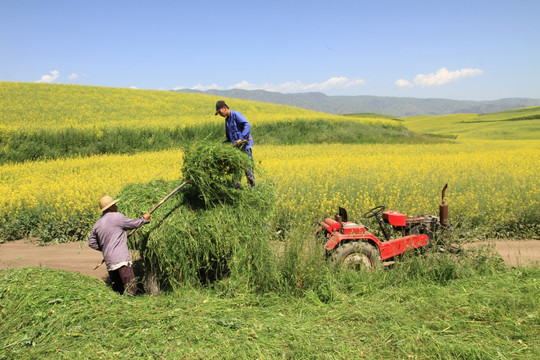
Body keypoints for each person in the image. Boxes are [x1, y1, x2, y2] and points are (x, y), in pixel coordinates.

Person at [88, 195, 151, 295]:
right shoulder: (117, 217)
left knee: (118, 290)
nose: (116, 206)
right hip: (121, 260)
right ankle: (132, 307)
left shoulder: (98, 224)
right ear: (111, 207)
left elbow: (91, 243)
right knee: (131, 288)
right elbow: (134, 224)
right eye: (114, 205)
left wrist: (106, 248)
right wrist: (144, 219)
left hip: (110, 262)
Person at [215, 100, 255, 187]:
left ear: (224, 108)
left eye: (220, 112)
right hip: (236, 150)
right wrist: (221, 146)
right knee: (236, 171)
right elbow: (229, 138)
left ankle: (253, 190)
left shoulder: (236, 115)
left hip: (244, 148)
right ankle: (237, 191)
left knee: (248, 170)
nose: (220, 114)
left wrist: (241, 138)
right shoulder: (227, 121)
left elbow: (247, 125)